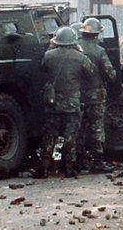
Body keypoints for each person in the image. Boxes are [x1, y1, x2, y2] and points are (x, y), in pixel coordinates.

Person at [34, 26, 96, 178]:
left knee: (50, 134)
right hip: (72, 103)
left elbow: (41, 68)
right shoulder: (80, 57)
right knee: (70, 136)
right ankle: (69, 168)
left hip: (53, 102)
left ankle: (44, 167)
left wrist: (50, 47)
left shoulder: (48, 56)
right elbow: (91, 71)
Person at [78, 18, 117, 174]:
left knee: (79, 128)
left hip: (77, 95)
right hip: (95, 95)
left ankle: (79, 161)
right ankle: (98, 162)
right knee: (96, 128)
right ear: (96, 34)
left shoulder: (74, 47)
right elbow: (111, 74)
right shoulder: (99, 51)